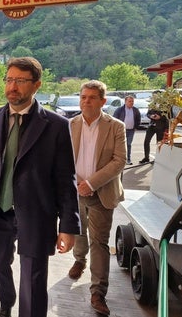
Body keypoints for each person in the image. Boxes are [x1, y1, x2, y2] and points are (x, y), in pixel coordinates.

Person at [0, 57, 80, 317]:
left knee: (33, 278)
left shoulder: (57, 126)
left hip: (36, 212)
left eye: (20, 81)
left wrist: (68, 226)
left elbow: (66, 179)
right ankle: (6, 301)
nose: (12, 87)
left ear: (36, 85)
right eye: (9, 80)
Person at [68, 80, 126, 316]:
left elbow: (119, 161)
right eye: (83, 97)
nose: (86, 101)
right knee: (79, 231)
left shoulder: (116, 126)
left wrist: (91, 183)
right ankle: (79, 260)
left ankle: (97, 293)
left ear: (103, 101)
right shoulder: (70, 124)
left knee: (99, 242)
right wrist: (79, 184)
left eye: (92, 97)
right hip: (75, 190)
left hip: (102, 193)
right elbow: (63, 158)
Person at [113, 95, 141, 165]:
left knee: (128, 144)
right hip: (121, 130)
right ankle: (118, 159)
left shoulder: (135, 110)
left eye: (132, 101)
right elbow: (114, 119)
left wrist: (136, 127)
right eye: (129, 101)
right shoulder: (119, 110)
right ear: (125, 102)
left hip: (131, 130)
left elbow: (138, 119)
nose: (131, 103)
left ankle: (128, 159)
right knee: (120, 145)